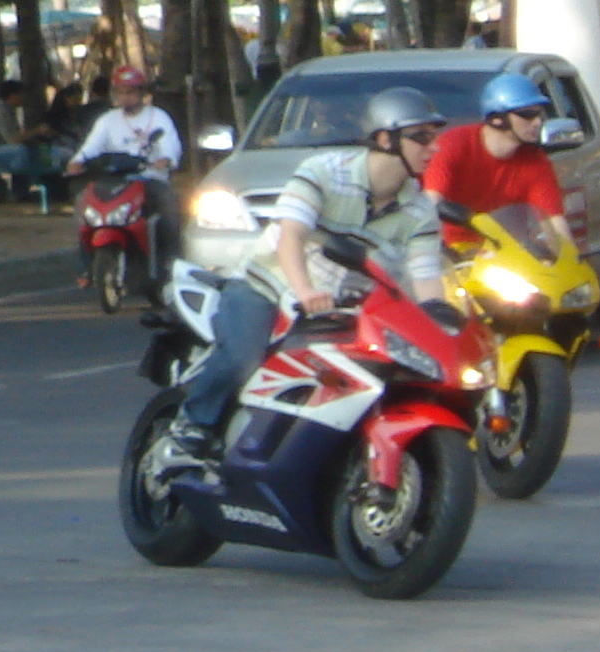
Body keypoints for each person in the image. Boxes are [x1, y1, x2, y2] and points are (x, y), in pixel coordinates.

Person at [168, 86, 448, 465]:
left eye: (436, 137)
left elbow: (427, 280)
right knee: (243, 358)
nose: (433, 148)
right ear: (385, 139)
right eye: (422, 138)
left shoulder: (419, 211)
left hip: (342, 310)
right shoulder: (324, 172)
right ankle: (190, 428)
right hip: (268, 286)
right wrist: (304, 290)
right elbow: (291, 235)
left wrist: (439, 325)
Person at [65, 63, 182, 291]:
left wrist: (166, 160)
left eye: (130, 91)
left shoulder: (158, 117)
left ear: (141, 92)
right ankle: (87, 266)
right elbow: (91, 147)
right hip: (114, 181)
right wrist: (77, 161)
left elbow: (171, 146)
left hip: (149, 180)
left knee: (168, 204)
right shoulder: (107, 120)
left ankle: (170, 263)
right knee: (83, 205)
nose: (125, 97)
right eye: (120, 92)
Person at [422, 72, 565, 251]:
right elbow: (431, 204)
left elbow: (555, 224)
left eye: (539, 115)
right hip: (452, 256)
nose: (537, 122)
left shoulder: (536, 162)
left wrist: (566, 261)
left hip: (508, 254)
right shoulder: (452, 145)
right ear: (498, 119)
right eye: (527, 115)